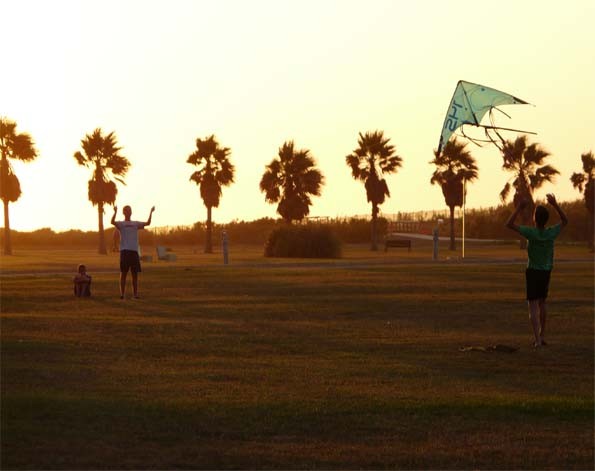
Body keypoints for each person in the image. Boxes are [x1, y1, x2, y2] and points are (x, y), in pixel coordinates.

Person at [506, 193, 568, 347]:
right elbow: (565, 221)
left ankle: (537, 340)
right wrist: (555, 204)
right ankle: (542, 334)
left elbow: (509, 224)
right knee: (542, 303)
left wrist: (519, 208)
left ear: (535, 219)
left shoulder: (531, 233)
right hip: (546, 272)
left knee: (532, 306)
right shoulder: (551, 232)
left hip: (533, 271)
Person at [111, 205, 155, 299]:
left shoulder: (135, 223)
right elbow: (112, 222)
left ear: (131, 212)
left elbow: (148, 223)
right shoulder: (121, 224)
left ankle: (135, 295)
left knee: (135, 274)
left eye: (129, 210)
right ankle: (122, 294)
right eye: (126, 210)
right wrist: (115, 212)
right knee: (123, 273)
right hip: (124, 251)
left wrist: (151, 212)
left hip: (134, 251)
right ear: (124, 212)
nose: (128, 212)